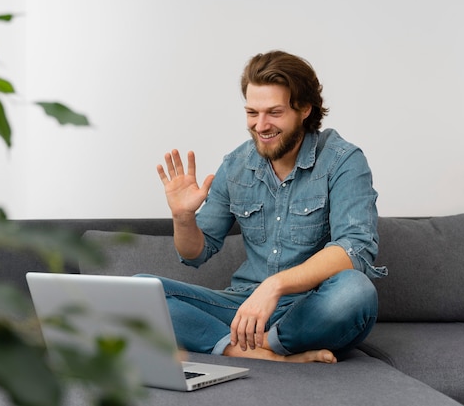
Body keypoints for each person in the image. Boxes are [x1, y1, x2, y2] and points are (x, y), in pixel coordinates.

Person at [152, 50, 387, 363]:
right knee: (142, 291)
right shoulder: (235, 165)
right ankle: (259, 353)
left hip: (311, 306)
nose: (260, 125)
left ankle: (258, 343)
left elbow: (355, 249)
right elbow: (196, 253)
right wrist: (182, 218)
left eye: (274, 113)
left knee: (355, 292)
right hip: (243, 307)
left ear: (304, 108)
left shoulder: (343, 160)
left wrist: (274, 286)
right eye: (252, 113)